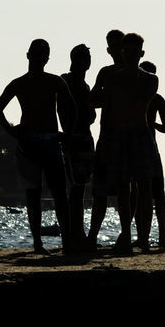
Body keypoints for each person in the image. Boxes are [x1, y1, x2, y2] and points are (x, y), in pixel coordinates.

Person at [0, 39, 76, 255]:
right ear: (29, 56)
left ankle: (61, 241)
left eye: (42, 55)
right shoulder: (25, 83)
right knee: (38, 193)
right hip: (31, 141)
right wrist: (12, 131)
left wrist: (66, 133)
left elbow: (71, 108)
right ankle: (42, 243)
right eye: (36, 55)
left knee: (53, 192)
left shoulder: (52, 82)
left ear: (46, 58)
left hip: (43, 139)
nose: (38, 59)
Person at [102, 32, 159, 254]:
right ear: (122, 52)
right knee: (123, 188)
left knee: (145, 187)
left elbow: (139, 102)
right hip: (118, 134)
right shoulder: (112, 78)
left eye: (136, 52)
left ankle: (143, 237)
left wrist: (128, 76)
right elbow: (107, 111)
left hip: (140, 134)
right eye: (127, 51)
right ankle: (126, 234)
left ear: (141, 53)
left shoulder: (150, 79)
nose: (131, 55)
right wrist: (104, 139)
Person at [86, 30, 124, 246]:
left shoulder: (135, 74)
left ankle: (125, 234)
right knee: (100, 190)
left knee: (125, 191)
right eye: (113, 46)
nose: (117, 51)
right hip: (107, 138)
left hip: (126, 137)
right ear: (109, 49)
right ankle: (92, 236)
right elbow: (92, 100)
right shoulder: (105, 73)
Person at [61, 45, 97, 252]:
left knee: (80, 187)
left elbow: (88, 114)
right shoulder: (69, 82)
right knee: (76, 188)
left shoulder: (82, 84)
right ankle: (76, 235)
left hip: (82, 138)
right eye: (86, 57)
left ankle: (77, 233)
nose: (88, 61)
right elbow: (69, 112)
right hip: (76, 139)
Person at [140, 61, 165, 249]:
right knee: (143, 194)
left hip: (151, 148)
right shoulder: (145, 97)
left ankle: (160, 236)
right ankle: (146, 236)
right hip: (144, 148)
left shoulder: (157, 99)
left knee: (156, 194)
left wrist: (150, 124)